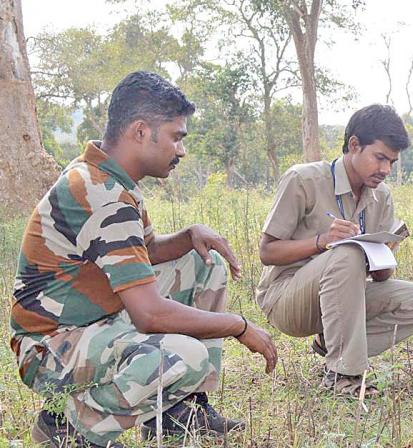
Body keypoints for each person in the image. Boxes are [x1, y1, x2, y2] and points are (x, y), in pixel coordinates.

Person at [9, 71, 278, 447]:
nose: (181, 151)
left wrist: (187, 236)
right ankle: (68, 425)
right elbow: (149, 314)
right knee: (186, 355)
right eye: (176, 137)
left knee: (204, 263)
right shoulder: (102, 194)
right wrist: (239, 326)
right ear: (140, 131)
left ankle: (178, 411)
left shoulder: (109, 177)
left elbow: (145, 252)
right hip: (49, 347)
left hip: (88, 317)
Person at [255, 104, 413, 397]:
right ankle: (344, 376)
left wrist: (384, 258)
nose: (385, 170)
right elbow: (267, 252)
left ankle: (332, 343)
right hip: (287, 298)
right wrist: (321, 241)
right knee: (347, 253)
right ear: (354, 145)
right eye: (380, 158)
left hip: (345, 298)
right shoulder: (303, 180)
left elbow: (381, 276)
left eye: (392, 162)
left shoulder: (381, 196)